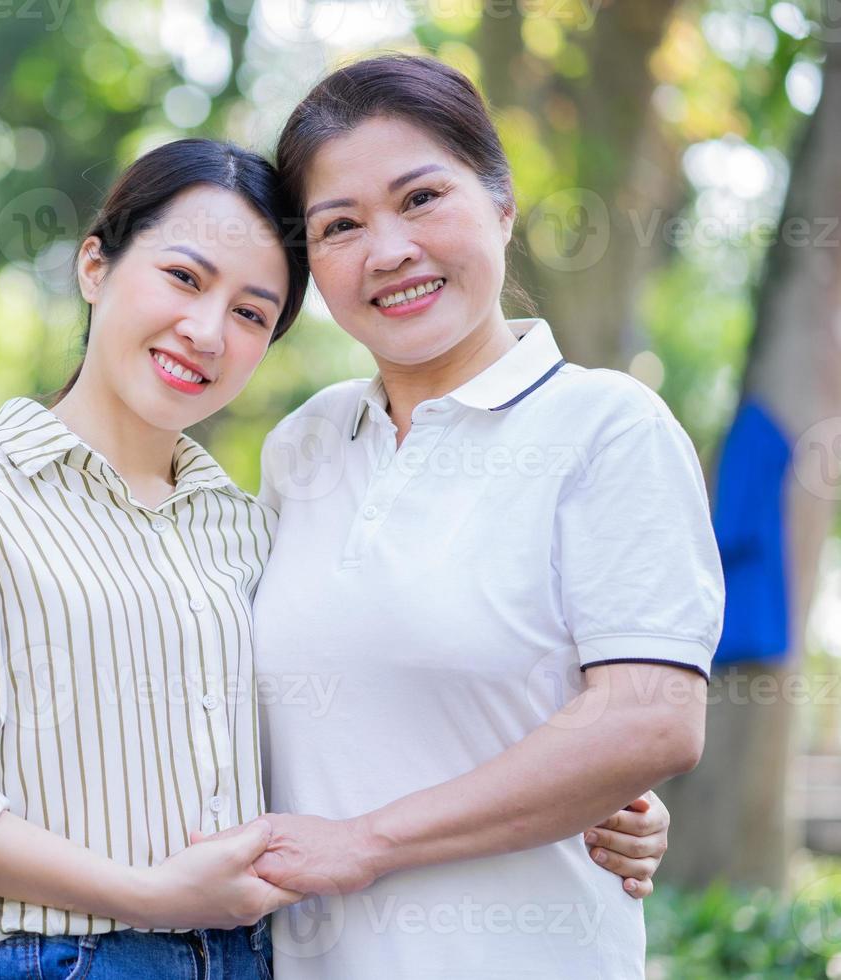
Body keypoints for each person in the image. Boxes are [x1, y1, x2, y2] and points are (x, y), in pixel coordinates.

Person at [0, 137, 673, 980]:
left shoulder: (241, 526)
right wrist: (148, 895)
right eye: (184, 278)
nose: (205, 330)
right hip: (48, 959)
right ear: (94, 267)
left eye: (252, 313)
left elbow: (336, 709)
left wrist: (597, 792)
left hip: (249, 959)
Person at [239, 53, 724, 978]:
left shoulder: (605, 425)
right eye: (340, 225)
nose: (388, 251)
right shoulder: (304, 444)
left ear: (502, 205)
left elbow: (652, 718)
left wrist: (367, 841)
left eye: (421, 199)